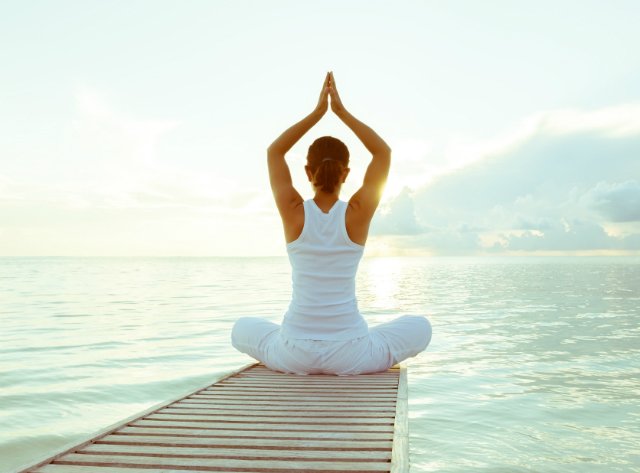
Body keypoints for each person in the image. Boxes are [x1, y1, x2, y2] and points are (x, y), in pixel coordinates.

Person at [231, 71, 431, 375]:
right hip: (351, 353)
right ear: (346, 174)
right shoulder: (357, 212)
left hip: (294, 352)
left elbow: (275, 151)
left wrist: (317, 113)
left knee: (241, 328)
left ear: (308, 172)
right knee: (421, 326)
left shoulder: (294, 211)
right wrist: (340, 112)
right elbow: (382, 152)